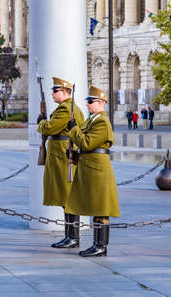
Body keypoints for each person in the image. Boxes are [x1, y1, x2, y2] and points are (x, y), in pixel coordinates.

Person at [65, 86, 120, 257]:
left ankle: (101, 245)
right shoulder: (92, 120)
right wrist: (74, 155)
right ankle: (95, 243)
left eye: (90, 102)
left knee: (100, 207)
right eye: (87, 101)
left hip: (97, 169)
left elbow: (87, 143)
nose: (87, 105)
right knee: (94, 206)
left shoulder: (102, 122)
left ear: (101, 103)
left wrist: (73, 129)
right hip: (89, 167)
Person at [37, 77, 84, 249]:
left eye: (55, 91)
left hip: (63, 155)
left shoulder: (65, 109)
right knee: (66, 197)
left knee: (68, 197)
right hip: (61, 154)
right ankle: (69, 236)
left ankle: (73, 237)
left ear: (64, 92)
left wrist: (41, 123)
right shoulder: (67, 108)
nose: (52, 93)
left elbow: (50, 128)